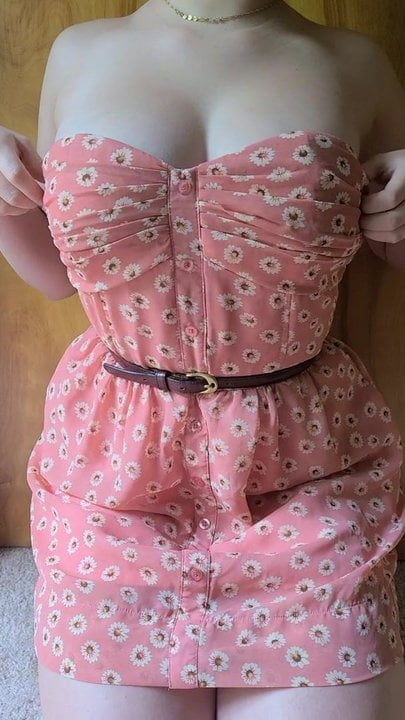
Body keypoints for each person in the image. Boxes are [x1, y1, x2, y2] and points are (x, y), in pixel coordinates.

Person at [0, 1, 405, 718]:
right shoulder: (78, 51)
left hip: (305, 468)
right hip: (116, 471)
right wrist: (3, 206)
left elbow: (393, 255)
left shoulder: (354, 65)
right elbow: (63, 276)